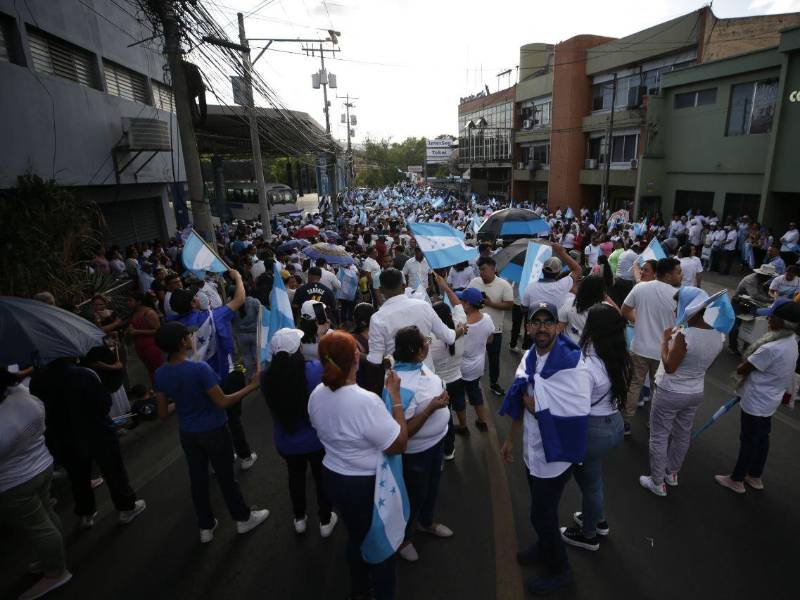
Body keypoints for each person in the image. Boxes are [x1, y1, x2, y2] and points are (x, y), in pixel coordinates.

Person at [499, 303, 591, 594]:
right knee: (541, 511)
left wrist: (538, 406)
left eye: (547, 322)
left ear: (558, 327)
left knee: (542, 514)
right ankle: (543, 546)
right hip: (533, 451)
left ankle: (560, 570)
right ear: (527, 327)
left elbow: (577, 406)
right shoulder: (528, 358)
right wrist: (510, 440)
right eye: (535, 322)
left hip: (556, 456)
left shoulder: (573, 363)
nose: (541, 327)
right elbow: (519, 399)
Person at [308, 332, 409, 600]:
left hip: (333, 476)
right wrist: (395, 398)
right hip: (364, 485)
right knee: (380, 545)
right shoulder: (366, 401)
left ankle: (359, 589)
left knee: (355, 536)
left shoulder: (317, 394)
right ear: (356, 357)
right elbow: (398, 444)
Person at [153, 322, 269, 543]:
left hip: (188, 434)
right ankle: (243, 518)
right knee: (226, 476)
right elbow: (223, 402)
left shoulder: (160, 373)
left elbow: (162, 413)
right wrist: (252, 386)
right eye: (188, 335)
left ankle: (205, 526)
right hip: (214, 430)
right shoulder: (199, 369)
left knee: (198, 479)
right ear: (181, 342)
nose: (191, 337)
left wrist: (182, 398)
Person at [29, 358, 146, 530]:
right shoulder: (83, 374)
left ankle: (86, 513)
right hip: (97, 431)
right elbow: (104, 404)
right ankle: (126, 507)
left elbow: (40, 411)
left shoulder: (37, 381)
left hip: (65, 437)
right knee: (113, 470)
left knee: (78, 478)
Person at [638, 287, 724, 497]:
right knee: (682, 435)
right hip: (695, 391)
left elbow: (669, 366)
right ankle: (672, 473)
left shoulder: (684, 336)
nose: (676, 309)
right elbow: (706, 367)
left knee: (659, 436)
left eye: (678, 305)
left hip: (670, 391)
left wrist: (664, 341)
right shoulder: (717, 335)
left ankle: (657, 482)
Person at [169, 271, 258, 471]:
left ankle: (220, 459)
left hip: (193, 382)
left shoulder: (171, 327)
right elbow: (240, 298)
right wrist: (237, 277)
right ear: (193, 303)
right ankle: (244, 455)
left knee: (213, 421)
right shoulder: (213, 316)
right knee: (233, 419)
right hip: (225, 376)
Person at [559, 304, 628, 551]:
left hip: (592, 430)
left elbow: (576, 406)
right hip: (613, 425)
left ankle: (588, 535)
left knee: (590, 484)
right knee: (594, 479)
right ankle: (597, 520)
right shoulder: (617, 353)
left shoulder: (586, 364)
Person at [715, 298, 800, 494]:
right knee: (762, 437)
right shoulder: (791, 342)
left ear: (782, 322)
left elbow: (743, 368)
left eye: (772, 317)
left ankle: (736, 479)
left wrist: (745, 362)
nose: (768, 319)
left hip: (756, 399)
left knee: (749, 439)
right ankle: (755, 475)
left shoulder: (770, 348)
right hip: (771, 398)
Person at [0, 369, 72, 600]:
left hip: (15, 482)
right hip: (42, 464)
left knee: (38, 525)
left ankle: (55, 571)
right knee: (46, 514)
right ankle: (55, 554)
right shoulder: (23, 395)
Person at [260, 328, 337, 537]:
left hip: (286, 441)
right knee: (321, 479)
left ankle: (299, 518)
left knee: (295, 477)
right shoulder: (315, 370)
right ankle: (325, 520)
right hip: (316, 440)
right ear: (299, 349)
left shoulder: (265, 377)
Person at [391, 326, 453, 563]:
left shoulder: (418, 365)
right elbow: (402, 432)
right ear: (418, 351)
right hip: (416, 453)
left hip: (435, 445)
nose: (428, 343)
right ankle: (404, 538)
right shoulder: (401, 385)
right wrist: (430, 409)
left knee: (432, 487)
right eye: (425, 341)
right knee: (414, 496)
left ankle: (426, 523)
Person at [620, 258, 682, 437]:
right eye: (678, 272)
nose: (681, 275)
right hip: (663, 352)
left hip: (639, 347)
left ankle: (626, 422)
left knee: (634, 385)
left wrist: (640, 322)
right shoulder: (679, 295)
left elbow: (625, 309)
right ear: (668, 274)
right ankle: (653, 422)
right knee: (659, 390)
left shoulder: (640, 287)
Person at [366, 268, 462, 367]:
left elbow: (375, 360)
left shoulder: (377, 318)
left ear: (381, 290)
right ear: (404, 286)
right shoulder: (423, 306)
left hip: (398, 379)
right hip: (426, 375)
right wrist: (462, 329)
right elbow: (449, 337)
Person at [437, 284, 495, 432]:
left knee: (459, 397)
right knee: (475, 392)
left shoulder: (462, 325)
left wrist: (446, 289)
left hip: (461, 367)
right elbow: (490, 340)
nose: (459, 303)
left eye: (462, 301)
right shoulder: (487, 318)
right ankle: (482, 421)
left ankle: (463, 426)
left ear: (468, 304)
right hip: (478, 365)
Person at [520, 244, 582, 348]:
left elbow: (523, 308)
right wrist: (562, 253)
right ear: (559, 273)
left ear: (542, 270)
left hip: (535, 329)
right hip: (552, 331)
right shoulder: (563, 285)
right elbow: (578, 270)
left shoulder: (531, 287)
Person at [468, 256, 513, 396]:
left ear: (493, 269)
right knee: (473, 356)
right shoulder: (474, 282)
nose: (481, 272)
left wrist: (489, 303)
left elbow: (509, 305)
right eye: (480, 269)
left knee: (494, 358)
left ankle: (494, 383)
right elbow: (466, 297)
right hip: (475, 328)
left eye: (484, 269)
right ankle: (472, 384)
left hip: (495, 330)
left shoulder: (504, 285)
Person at [430, 301, 467, 461]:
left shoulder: (431, 339)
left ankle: (448, 448)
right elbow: (458, 305)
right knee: (459, 405)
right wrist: (444, 287)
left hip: (440, 385)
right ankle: (463, 427)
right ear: (450, 314)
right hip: (457, 378)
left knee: (445, 418)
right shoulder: (460, 328)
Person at [558, 275, 616, 344]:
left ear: (581, 288)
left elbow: (558, 329)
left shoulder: (570, 303)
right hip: (594, 350)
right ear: (602, 291)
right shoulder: (607, 309)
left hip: (570, 347)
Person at [126, 291, 163, 385]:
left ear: (139, 302)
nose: (128, 303)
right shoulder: (134, 313)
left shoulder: (149, 313)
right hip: (140, 347)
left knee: (158, 369)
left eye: (130, 300)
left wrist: (137, 332)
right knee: (151, 370)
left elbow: (158, 330)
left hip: (151, 346)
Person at [350, 302, 384, 396]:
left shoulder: (350, 340)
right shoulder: (382, 336)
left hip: (360, 392)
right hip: (380, 391)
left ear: (354, 319)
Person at [236, 295, 262, 379]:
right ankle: (259, 376)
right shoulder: (255, 301)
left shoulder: (233, 304)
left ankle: (249, 377)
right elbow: (262, 314)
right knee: (257, 356)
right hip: (255, 333)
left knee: (246, 357)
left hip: (241, 335)